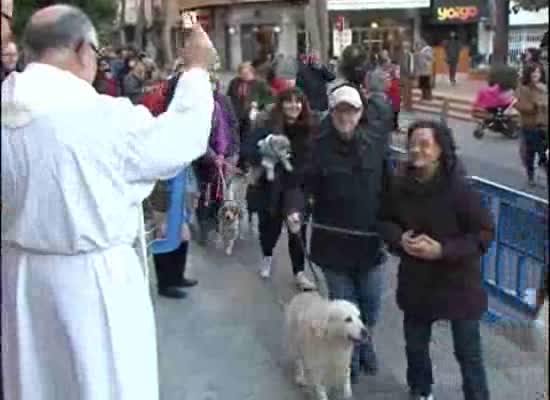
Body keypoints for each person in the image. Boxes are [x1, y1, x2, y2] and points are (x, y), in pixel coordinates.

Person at [1, 5, 215, 400]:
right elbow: (180, 139)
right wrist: (198, 70)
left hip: (22, 277)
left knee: (34, 383)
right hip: (91, 280)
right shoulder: (99, 117)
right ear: (83, 50)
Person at [378, 120, 494, 400]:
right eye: (412, 144)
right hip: (416, 281)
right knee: (415, 346)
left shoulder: (460, 190)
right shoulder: (399, 185)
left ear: (440, 149)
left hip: (459, 283)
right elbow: (384, 220)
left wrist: (443, 250)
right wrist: (399, 239)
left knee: (468, 353)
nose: (416, 150)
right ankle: (421, 390)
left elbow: (484, 233)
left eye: (424, 144)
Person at [297, 85, 390, 384]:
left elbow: (390, 187)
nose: (346, 116)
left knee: (371, 307)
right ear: (332, 113)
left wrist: (400, 226)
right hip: (333, 248)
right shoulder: (316, 146)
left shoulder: (376, 143)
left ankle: (367, 343)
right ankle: (349, 360)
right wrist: (296, 211)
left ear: (360, 113)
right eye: (340, 110)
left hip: (370, 244)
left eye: (351, 110)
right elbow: (302, 187)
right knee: (347, 309)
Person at [242, 88, 317, 291]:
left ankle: (299, 272)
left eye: (298, 102)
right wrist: (267, 157)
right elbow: (248, 150)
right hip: (271, 187)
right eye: (289, 102)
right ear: (281, 104)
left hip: (297, 188)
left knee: (297, 229)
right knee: (269, 228)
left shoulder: (310, 128)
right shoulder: (267, 125)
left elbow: (314, 160)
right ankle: (267, 256)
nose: (294, 106)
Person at [149, 167, 199, 299]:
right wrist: (159, 218)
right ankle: (164, 285)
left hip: (179, 197)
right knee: (162, 241)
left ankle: (177, 277)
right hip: (163, 202)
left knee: (183, 237)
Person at [515, 63, 548, 186]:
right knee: (530, 154)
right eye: (533, 72)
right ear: (528, 74)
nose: (536, 74)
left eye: (538, 72)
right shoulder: (523, 88)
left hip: (544, 127)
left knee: (544, 155)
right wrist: (535, 106)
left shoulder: (544, 88)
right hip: (530, 127)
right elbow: (518, 105)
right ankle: (531, 177)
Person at [296, 50, 336, 118]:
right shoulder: (303, 70)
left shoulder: (321, 70)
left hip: (322, 105)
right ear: (310, 59)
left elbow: (332, 78)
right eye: (314, 58)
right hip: (310, 106)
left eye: (317, 59)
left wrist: (322, 69)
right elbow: (299, 86)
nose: (316, 61)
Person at [399, 41, 416, 112]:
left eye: (407, 46)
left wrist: (413, 74)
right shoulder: (404, 55)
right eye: (405, 46)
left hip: (409, 76)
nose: (406, 47)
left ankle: (409, 106)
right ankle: (406, 107)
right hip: (406, 76)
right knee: (406, 92)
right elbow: (404, 66)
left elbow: (412, 65)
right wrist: (408, 74)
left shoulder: (411, 55)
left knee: (409, 92)